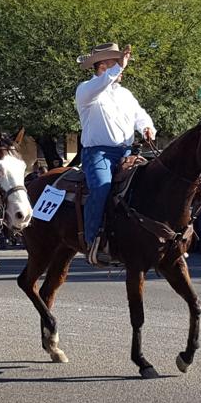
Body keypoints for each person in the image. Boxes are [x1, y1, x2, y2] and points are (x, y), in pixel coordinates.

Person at [74, 42, 155, 265]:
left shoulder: (126, 94)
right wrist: (119, 67)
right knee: (101, 188)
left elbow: (140, 115)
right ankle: (92, 241)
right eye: (114, 62)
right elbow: (102, 83)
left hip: (127, 152)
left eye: (119, 61)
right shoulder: (87, 90)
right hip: (97, 153)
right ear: (101, 65)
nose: (119, 67)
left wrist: (147, 128)